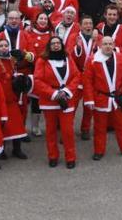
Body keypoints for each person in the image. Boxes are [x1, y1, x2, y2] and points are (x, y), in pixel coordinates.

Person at [82, 37, 122, 161]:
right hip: (100, 98)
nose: (108, 46)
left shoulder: (121, 57)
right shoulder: (92, 60)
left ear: (114, 45)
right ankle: (99, 150)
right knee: (100, 127)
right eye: (105, 44)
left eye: (110, 44)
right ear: (100, 45)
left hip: (118, 98)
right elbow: (88, 82)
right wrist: (89, 100)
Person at [33, 36, 81, 169]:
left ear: (61, 45)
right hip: (50, 101)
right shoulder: (42, 61)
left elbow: (76, 76)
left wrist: (66, 91)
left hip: (66, 99)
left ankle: (70, 157)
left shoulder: (68, 58)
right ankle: (52, 156)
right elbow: (38, 80)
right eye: (53, 43)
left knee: (67, 131)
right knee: (51, 130)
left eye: (58, 43)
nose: (56, 45)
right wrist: (54, 94)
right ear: (49, 46)